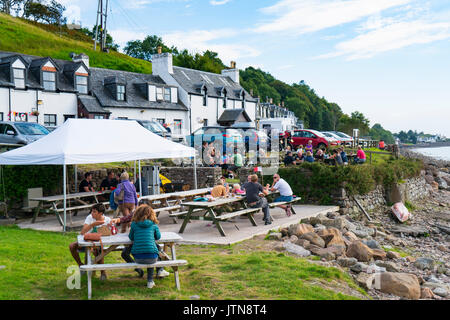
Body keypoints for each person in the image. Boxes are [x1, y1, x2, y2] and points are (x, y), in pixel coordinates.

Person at [128, 204, 169, 289]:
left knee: (151, 251)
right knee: (153, 252)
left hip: (137, 258)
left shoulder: (134, 224)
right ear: (151, 214)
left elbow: (131, 237)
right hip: (151, 257)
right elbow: (158, 237)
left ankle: (159, 271)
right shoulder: (153, 224)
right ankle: (151, 280)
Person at [68, 203, 110, 280]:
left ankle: (103, 272)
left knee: (98, 250)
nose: (92, 213)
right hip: (86, 241)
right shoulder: (90, 218)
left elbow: (111, 233)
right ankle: (81, 265)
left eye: (94, 212)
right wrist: (92, 225)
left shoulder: (107, 220)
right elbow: (82, 232)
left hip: (99, 243)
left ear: (100, 213)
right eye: (92, 211)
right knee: (72, 246)